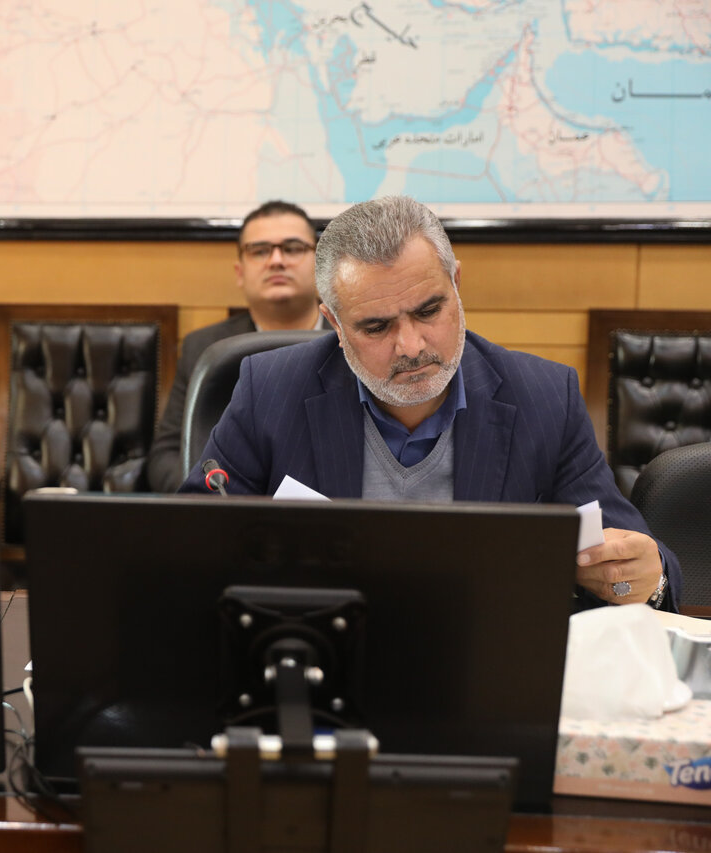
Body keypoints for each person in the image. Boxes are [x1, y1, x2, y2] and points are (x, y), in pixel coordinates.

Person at [180, 196, 680, 612]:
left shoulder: (544, 397)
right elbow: (187, 546)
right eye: (376, 327)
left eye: (428, 310)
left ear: (456, 286)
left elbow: (634, 555)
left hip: (485, 665)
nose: (411, 346)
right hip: (323, 654)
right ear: (335, 324)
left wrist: (646, 578)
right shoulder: (270, 390)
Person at [147, 201, 330, 492]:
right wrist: (217, 499)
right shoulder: (206, 348)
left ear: (320, 266)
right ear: (240, 272)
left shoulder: (354, 340)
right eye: (260, 251)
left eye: (293, 248)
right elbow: (166, 457)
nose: (277, 260)